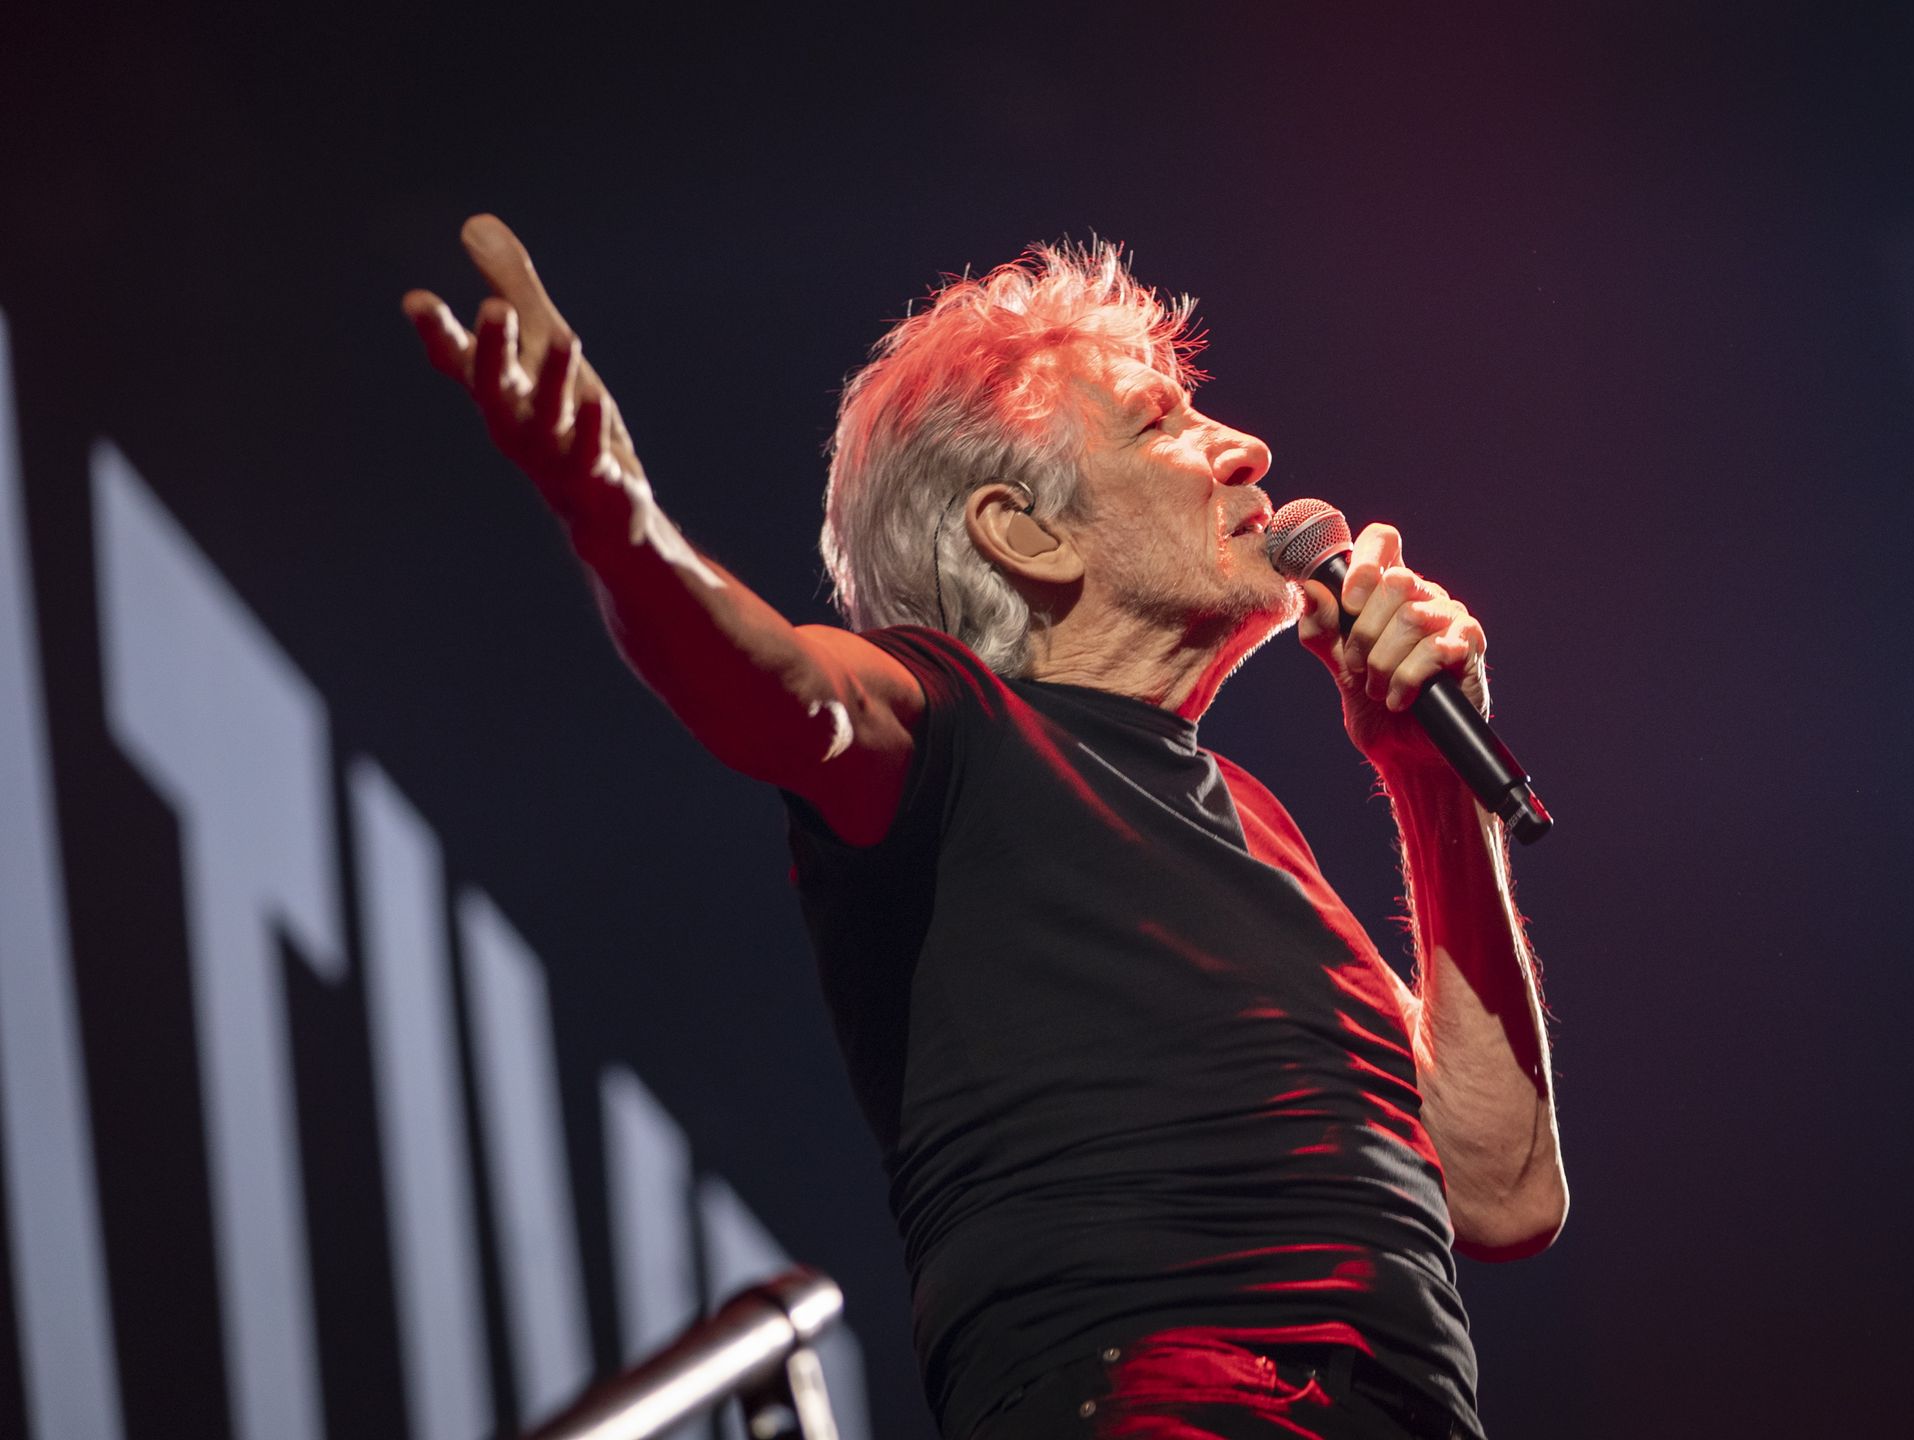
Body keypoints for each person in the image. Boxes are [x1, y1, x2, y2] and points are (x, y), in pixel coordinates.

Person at [404, 215, 1566, 1440]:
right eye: (1161, 423)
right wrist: (617, 518)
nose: (1247, 450)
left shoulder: (1261, 829)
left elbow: (1501, 1190)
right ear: (1025, 533)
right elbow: (777, 687)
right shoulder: (959, 728)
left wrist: (1428, 781)